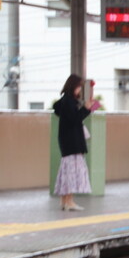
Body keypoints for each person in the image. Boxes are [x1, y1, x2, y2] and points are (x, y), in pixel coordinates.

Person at [52, 74, 92, 211]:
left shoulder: (65, 101)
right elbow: (75, 119)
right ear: (73, 86)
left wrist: (84, 108)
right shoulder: (69, 102)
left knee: (66, 172)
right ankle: (69, 202)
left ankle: (65, 201)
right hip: (72, 143)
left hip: (67, 142)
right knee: (72, 173)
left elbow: (61, 111)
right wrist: (86, 109)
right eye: (79, 86)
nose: (80, 89)